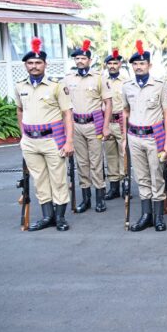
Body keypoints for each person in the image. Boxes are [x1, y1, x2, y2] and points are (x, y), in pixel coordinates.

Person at [15, 37, 74, 231]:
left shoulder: (56, 85)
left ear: (45, 64)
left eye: (38, 62)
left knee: (58, 179)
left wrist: (69, 141)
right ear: (25, 65)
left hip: (52, 140)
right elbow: (19, 110)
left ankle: (60, 217)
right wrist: (23, 136)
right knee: (39, 180)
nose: (34, 66)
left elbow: (67, 114)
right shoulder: (20, 86)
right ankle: (47, 216)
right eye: (30, 63)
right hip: (30, 141)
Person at [121, 40, 167, 232]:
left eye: (142, 63)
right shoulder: (127, 86)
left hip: (154, 137)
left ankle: (158, 216)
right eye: (135, 64)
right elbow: (125, 112)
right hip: (134, 137)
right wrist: (124, 138)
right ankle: (146, 215)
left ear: (149, 65)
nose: (138, 67)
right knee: (141, 177)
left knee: (156, 175)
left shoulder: (160, 85)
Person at [64, 39, 112, 214]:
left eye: (83, 58)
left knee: (96, 161)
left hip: (93, 124)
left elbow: (108, 103)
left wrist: (106, 127)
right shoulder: (68, 79)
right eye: (77, 58)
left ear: (89, 60)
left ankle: (100, 198)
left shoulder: (99, 78)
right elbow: (64, 105)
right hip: (76, 125)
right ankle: (86, 199)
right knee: (82, 162)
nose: (79, 61)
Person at [102, 49, 127, 200]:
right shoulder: (101, 80)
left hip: (121, 121)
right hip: (107, 122)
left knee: (123, 154)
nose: (112, 66)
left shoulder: (126, 81)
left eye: (115, 63)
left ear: (120, 65)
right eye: (109, 63)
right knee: (110, 154)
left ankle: (125, 185)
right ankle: (113, 187)